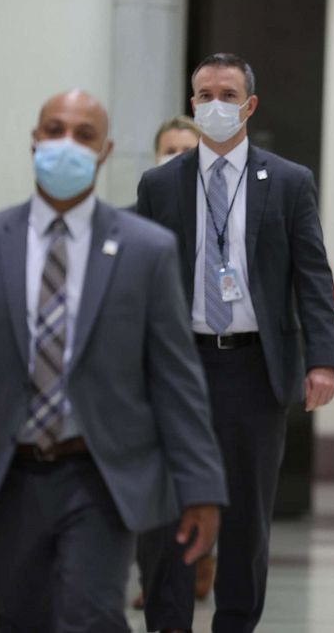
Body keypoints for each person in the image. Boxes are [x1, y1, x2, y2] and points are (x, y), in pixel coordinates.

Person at [0, 89, 227, 632]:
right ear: (35, 141)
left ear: (104, 150)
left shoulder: (144, 249)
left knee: (90, 614)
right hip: (7, 475)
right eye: (54, 130)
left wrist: (200, 488)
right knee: (18, 614)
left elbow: (176, 378)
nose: (67, 145)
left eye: (83, 136)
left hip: (101, 472)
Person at [136, 53, 334, 633]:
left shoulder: (289, 181)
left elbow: (312, 274)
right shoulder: (159, 184)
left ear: (249, 104)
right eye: (205, 94)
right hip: (179, 367)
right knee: (169, 513)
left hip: (254, 368)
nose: (216, 104)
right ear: (192, 102)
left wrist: (323, 360)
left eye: (228, 94)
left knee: (248, 517)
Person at [132, 114, 213, 612]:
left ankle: (204, 556)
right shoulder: (132, 218)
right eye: (169, 149)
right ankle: (160, 578)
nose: (177, 158)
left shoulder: (221, 215)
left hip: (214, 363)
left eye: (188, 149)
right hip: (153, 370)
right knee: (156, 481)